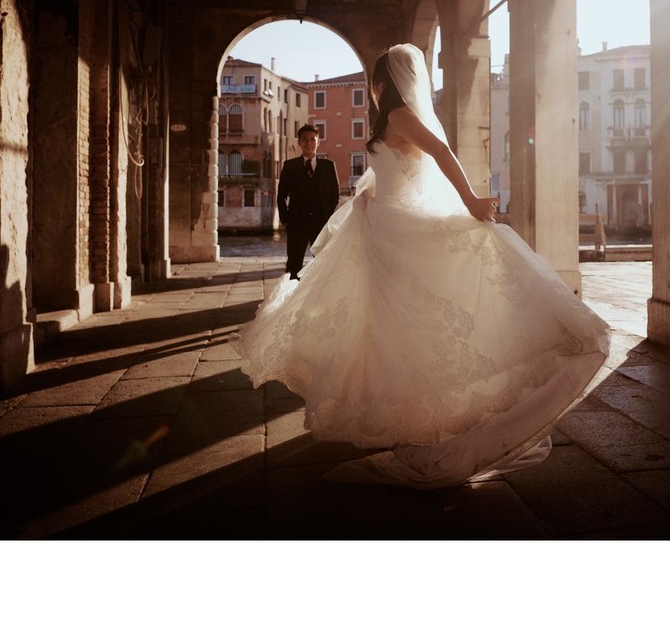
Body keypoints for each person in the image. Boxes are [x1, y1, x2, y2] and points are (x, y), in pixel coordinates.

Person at [235, 43, 613, 489]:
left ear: (384, 83)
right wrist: (370, 198)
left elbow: (441, 153)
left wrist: (471, 200)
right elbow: (398, 171)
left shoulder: (398, 117)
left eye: (373, 84)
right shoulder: (393, 120)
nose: (371, 91)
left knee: (409, 325)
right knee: (394, 328)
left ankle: (428, 420)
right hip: (385, 228)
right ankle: (414, 421)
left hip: (399, 232)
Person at [276, 124, 340, 279]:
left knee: (322, 262)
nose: (309, 143)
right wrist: (286, 219)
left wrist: (328, 216)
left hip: (321, 223)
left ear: (318, 142)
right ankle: (290, 297)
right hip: (296, 223)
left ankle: (320, 295)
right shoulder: (289, 166)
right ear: (299, 142)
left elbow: (335, 195)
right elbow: (281, 195)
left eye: (313, 139)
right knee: (294, 265)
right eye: (305, 139)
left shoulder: (329, 166)